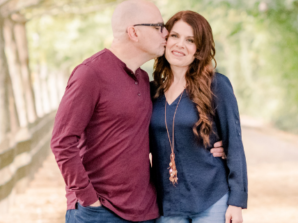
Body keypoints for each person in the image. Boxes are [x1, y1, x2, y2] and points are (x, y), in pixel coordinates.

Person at [50, 2, 224, 222]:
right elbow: (62, 142)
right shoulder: (90, 74)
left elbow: (165, 131)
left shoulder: (144, 80)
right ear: (133, 32)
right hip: (100, 211)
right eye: (158, 27)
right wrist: (88, 199)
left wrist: (216, 145)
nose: (166, 33)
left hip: (145, 212)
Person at [149, 10, 247, 223]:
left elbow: (234, 144)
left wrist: (236, 202)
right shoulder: (151, 91)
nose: (180, 45)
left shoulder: (217, 86)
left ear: (199, 49)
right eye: (175, 36)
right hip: (167, 203)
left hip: (211, 199)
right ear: (165, 40)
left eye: (190, 40)